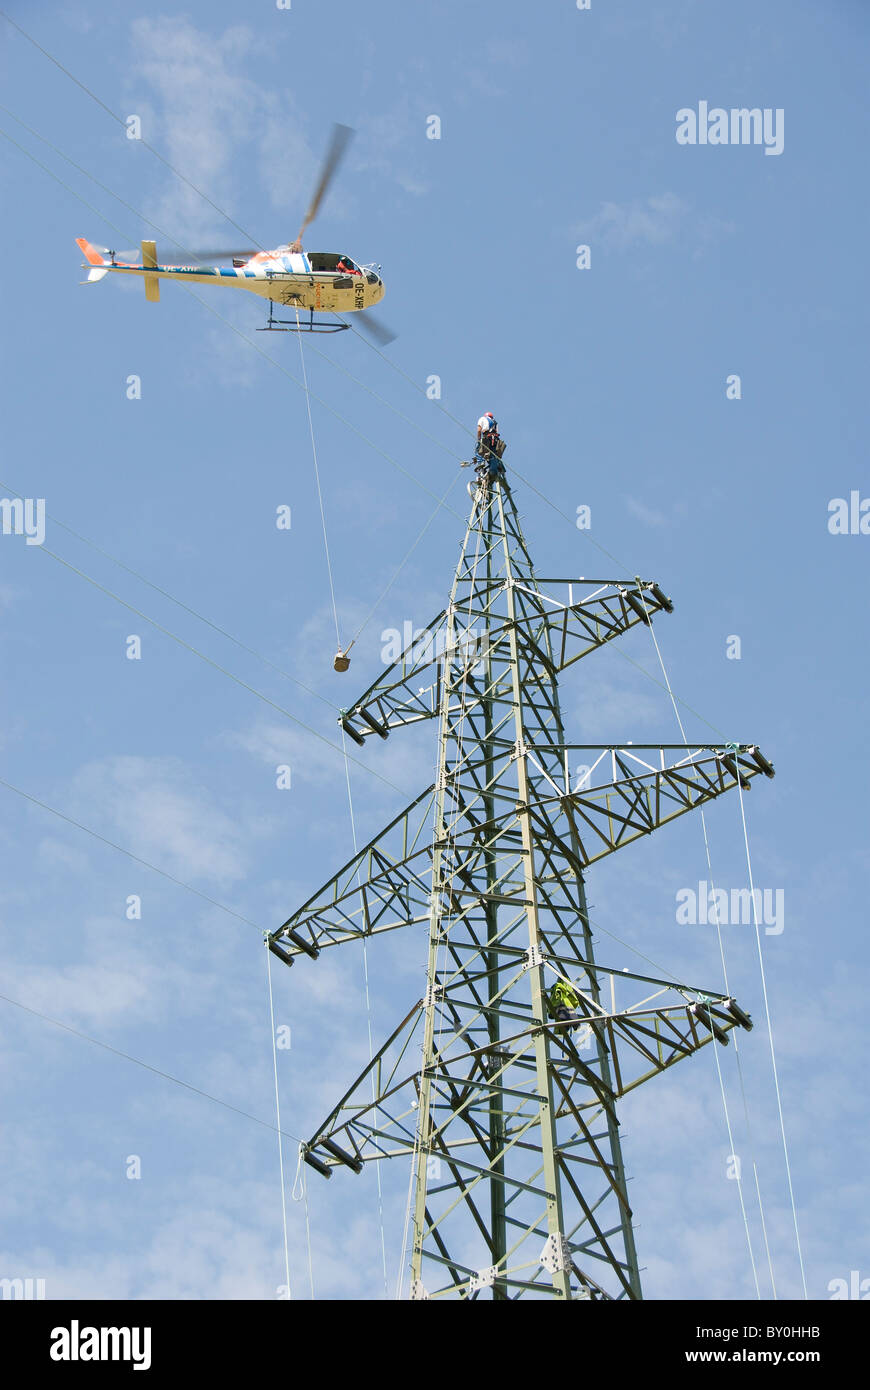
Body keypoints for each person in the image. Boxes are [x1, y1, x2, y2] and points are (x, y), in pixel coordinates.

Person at [473, 413, 508, 487]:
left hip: (487, 438)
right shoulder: (495, 422)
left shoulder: (482, 418)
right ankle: (494, 470)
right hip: (495, 441)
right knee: (493, 456)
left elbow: (479, 430)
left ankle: (481, 465)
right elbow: (497, 432)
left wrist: (478, 439)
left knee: (478, 450)